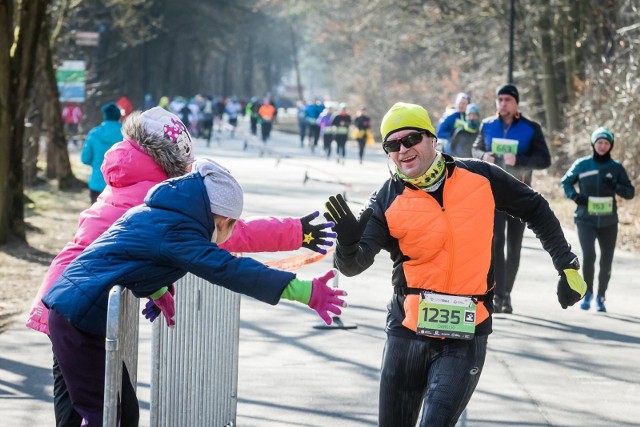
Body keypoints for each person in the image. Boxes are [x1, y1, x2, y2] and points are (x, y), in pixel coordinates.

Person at [26, 107, 336, 426]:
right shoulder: (156, 198)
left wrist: (157, 288)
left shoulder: (141, 183)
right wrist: (296, 243)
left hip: (74, 301)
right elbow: (222, 247)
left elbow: (130, 254)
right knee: (98, 412)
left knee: (104, 408)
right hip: (75, 308)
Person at [324, 102, 586, 427]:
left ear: (432, 139)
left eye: (412, 139)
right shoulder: (387, 197)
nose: (404, 149)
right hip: (408, 331)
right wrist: (346, 245)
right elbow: (353, 265)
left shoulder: (479, 176)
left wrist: (567, 264)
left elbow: (535, 207)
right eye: (393, 144)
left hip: (466, 329)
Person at [472, 84, 551, 314]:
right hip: (492, 193)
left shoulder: (531, 128)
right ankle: (496, 294)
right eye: (499, 99)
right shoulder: (487, 125)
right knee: (495, 242)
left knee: (514, 245)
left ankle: (506, 293)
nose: (502, 103)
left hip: (519, 193)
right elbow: (475, 148)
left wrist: (520, 160)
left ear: (516, 102)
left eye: (507, 99)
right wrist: (482, 155)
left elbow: (544, 159)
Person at [561, 127, 635, 312]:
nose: (602, 146)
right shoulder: (582, 164)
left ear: (611, 146)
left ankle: (601, 296)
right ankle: (587, 294)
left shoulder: (616, 168)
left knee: (606, 260)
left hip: (609, 221)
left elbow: (630, 193)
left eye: (606, 143)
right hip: (585, 219)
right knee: (589, 256)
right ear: (593, 144)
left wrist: (616, 186)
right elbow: (566, 182)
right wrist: (575, 196)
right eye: (599, 142)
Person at [80, 102, 122, 204]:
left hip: (97, 182)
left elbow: (85, 158)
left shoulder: (94, 133)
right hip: (121, 185)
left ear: (105, 116)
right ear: (119, 116)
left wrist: (97, 163)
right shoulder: (128, 133)